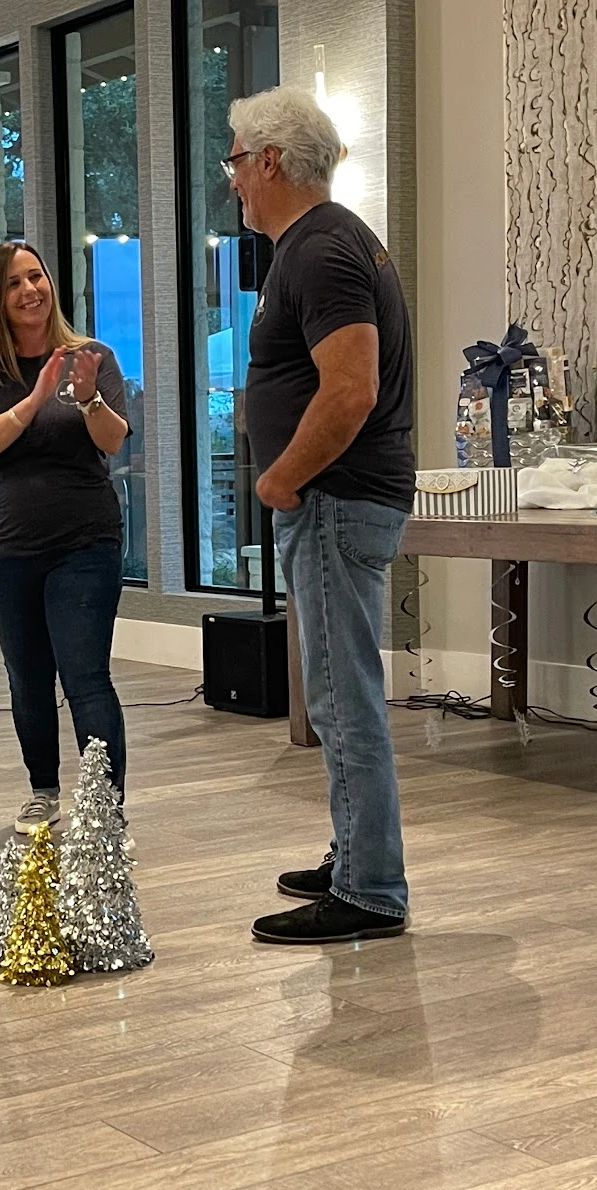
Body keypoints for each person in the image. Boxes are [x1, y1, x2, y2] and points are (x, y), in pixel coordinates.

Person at [226, 87, 416, 944]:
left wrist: (281, 478)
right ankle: (353, 855)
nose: (233, 179)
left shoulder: (322, 250)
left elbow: (351, 389)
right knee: (340, 693)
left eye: (237, 160)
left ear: (271, 161)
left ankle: (370, 890)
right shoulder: (321, 245)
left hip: (334, 500)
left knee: (342, 699)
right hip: (336, 500)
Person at [0, 241, 131, 835]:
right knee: (28, 678)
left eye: (36, 276)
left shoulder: (93, 357)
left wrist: (88, 398)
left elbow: (113, 441)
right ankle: (43, 791)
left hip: (85, 543)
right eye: (14, 283)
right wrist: (35, 399)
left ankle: (104, 806)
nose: (30, 290)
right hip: (8, 551)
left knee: (86, 676)